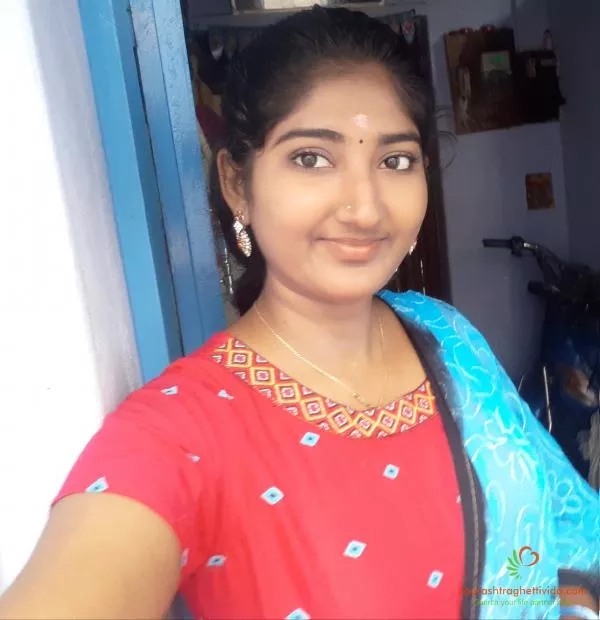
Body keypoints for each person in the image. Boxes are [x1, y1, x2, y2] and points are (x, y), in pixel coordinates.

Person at [0, 7, 598, 620]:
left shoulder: (446, 334)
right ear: (237, 183)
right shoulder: (181, 432)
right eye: (311, 158)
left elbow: (568, 535)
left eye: (395, 161)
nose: (365, 209)